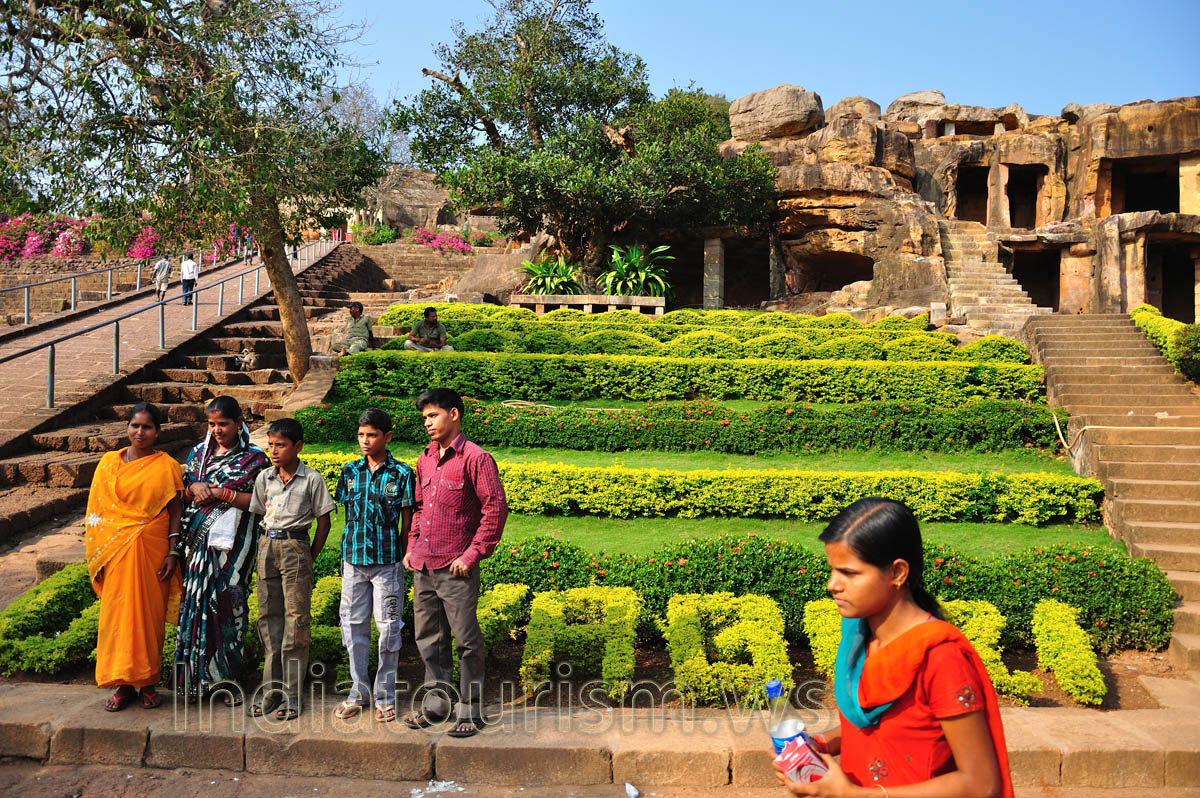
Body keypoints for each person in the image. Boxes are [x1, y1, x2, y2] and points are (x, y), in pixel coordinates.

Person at [775, 498, 1012, 798]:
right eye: (832, 570)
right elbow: (880, 731)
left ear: (898, 573)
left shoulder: (940, 657)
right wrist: (818, 745)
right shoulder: (860, 638)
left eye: (848, 573)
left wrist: (852, 795)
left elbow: (981, 784)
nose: (832, 584)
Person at [402, 387, 507, 738]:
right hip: (425, 566)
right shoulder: (425, 459)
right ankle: (436, 706)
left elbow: (495, 510)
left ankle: (471, 710)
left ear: (454, 414)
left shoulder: (477, 459)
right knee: (428, 639)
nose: (428, 423)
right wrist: (412, 547)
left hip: (456, 568)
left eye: (433, 416)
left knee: (466, 641)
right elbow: (419, 508)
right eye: (425, 418)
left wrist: (472, 554)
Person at [84, 402, 184, 711]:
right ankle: (123, 685)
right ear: (127, 427)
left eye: (147, 427)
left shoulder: (166, 465)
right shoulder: (108, 464)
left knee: (148, 619)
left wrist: (172, 551)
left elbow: (175, 511)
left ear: (157, 431)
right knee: (117, 619)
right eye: (135, 426)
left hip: (153, 553)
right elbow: (97, 514)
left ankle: (148, 682)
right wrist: (99, 556)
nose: (140, 432)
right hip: (116, 553)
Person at [173, 396, 271, 704]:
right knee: (196, 607)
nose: (217, 430)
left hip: (234, 548)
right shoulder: (198, 455)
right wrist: (193, 489)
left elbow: (260, 502)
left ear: (239, 424)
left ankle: (228, 680)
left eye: (224, 424)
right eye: (212, 424)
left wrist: (220, 492)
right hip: (199, 546)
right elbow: (186, 493)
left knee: (229, 606)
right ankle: (193, 681)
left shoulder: (254, 459)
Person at [332, 408, 416, 723]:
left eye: (372, 435)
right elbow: (346, 514)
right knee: (352, 627)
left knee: (389, 628)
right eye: (361, 435)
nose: (365, 441)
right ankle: (358, 692)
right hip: (354, 561)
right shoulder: (349, 472)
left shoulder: (403, 474)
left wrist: (407, 554)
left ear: (387, 437)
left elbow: (408, 521)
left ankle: (385, 696)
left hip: (388, 562)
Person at [248, 418, 335, 720]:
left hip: (296, 547)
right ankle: (270, 691)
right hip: (267, 546)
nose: (273, 450)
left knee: (296, 621)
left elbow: (324, 521)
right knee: (267, 618)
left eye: (280, 445)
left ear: (297, 446)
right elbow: (260, 512)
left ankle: (293, 694)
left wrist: (309, 554)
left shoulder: (312, 480)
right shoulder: (265, 479)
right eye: (270, 444)